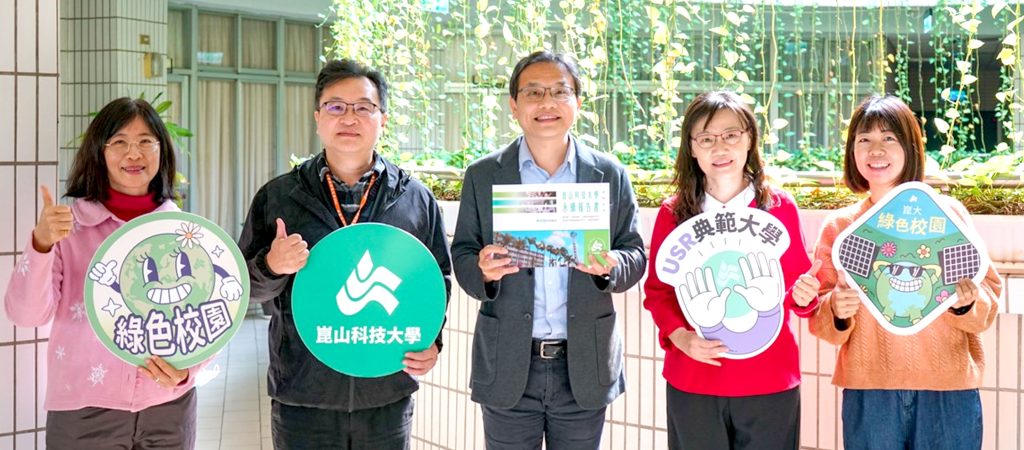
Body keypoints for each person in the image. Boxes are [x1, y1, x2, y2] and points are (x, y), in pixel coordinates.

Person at [237, 58, 451, 450]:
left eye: (364, 107)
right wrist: (272, 265)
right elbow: (240, 288)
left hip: (385, 392)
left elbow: (437, 278)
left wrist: (432, 340)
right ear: (318, 118)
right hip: (303, 395)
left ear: (382, 120)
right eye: (336, 106)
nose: (349, 118)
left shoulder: (415, 199)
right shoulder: (279, 196)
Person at [450, 50, 647, 450]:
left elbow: (635, 254)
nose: (547, 103)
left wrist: (611, 265)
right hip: (508, 362)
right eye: (534, 92)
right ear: (514, 105)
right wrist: (483, 270)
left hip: (584, 364)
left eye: (560, 91)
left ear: (577, 102)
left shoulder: (608, 173)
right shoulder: (484, 175)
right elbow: (463, 254)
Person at [4, 97, 200, 448]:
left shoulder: (182, 231)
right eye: (119, 142)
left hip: (169, 408)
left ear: (162, 150)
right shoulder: (70, 228)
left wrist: (188, 372)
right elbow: (26, 314)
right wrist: (41, 244)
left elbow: (209, 316)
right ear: (99, 151)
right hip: (84, 408)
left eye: (145, 141)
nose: (134, 153)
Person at [809, 94, 1002, 450]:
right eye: (864, 139)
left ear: (911, 147)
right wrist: (835, 309)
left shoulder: (944, 215)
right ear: (852, 151)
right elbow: (821, 318)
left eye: (889, 138)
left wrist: (966, 303)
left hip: (949, 387)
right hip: (870, 390)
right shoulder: (842, 226)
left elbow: (987, 299)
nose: (876, 150)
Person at [642, 90, 821, 450]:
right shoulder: (673, 213)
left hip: (769, 379)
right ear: (691, 148)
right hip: (694, 377)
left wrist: (806, 296)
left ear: (750, 139)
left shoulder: (779, 207)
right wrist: (681, 337)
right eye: (706, 139)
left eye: (731, 135)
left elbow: (798, 293)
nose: (720, 147)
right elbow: (658, 292)